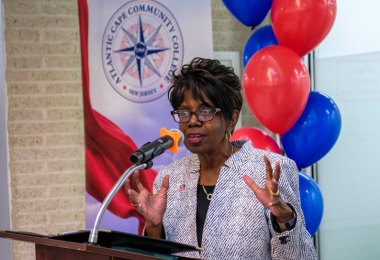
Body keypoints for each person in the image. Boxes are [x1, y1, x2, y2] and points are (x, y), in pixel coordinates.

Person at [125, 57, 317, 259]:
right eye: (184, 112)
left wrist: (285, 220)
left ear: (231, 119)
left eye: (205, 111)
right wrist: (154, 226)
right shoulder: (169, 179)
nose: (192, 121)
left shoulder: (268, 170)